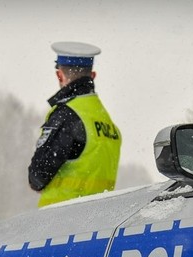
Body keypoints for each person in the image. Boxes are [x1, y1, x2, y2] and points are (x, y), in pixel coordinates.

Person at [28, 41, 122, 207]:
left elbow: (37, 177)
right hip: (99, 223)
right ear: (93, 76)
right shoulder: (107, 123)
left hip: (60, 222)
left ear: (60, 75)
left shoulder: (67, 115)